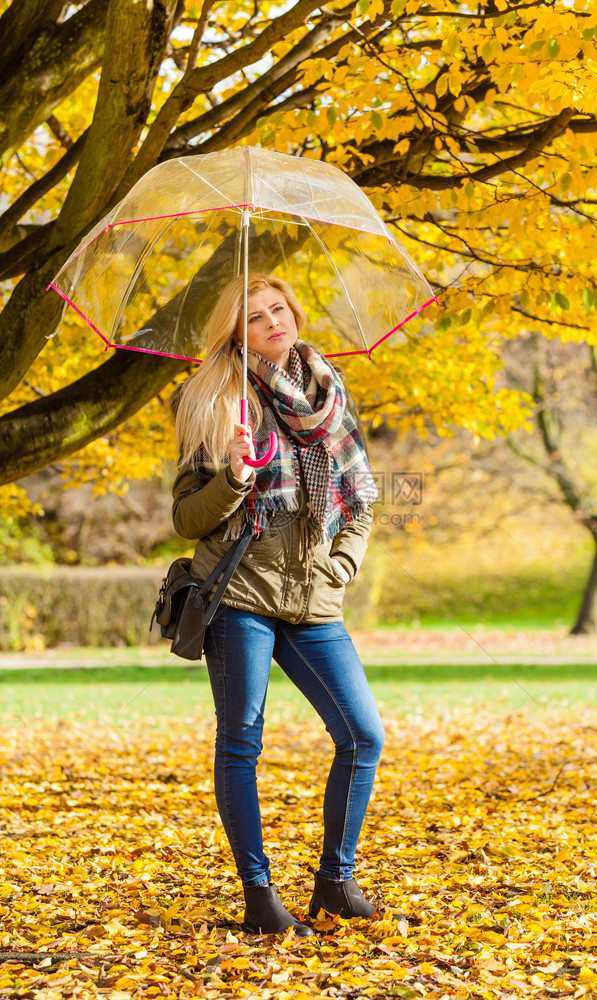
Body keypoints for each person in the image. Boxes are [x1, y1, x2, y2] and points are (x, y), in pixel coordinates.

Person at [170, 273, 384, 937]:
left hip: (312, 594)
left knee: (362, 735)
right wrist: (233, 477)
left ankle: (334, 881)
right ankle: (259, 894)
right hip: (239, 594)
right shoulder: (212, 397)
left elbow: (362, 497)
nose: (270, 322)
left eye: (276, 310)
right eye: (254, 317)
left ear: (292, 311)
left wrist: (342, 564)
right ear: (236, 332)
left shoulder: (326, 391)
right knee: (242, 741)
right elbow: (184, 516)